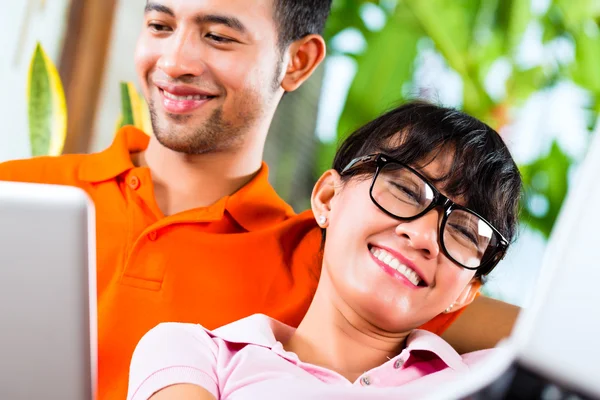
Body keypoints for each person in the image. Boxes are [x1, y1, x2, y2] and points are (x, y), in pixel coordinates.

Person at [0, 1, 519, 399]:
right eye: (160, 26)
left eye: (219, 36)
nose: (175, 60)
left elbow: (549, 335)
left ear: (297, 62)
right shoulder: (17, 192)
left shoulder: (337, 256)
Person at [127, 102, 523, 400]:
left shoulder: (494, 381)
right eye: (403, 190)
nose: (424, 236)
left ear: (466, 292)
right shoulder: (193, 355)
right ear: (328, 198)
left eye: (464, 232)